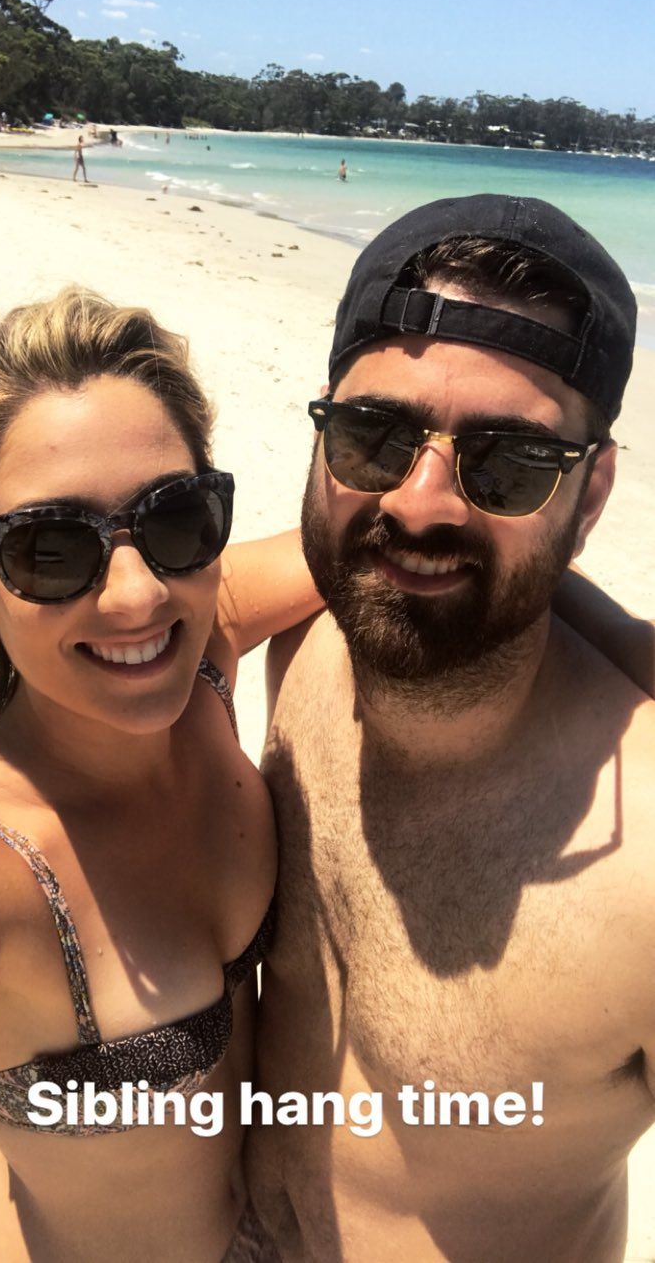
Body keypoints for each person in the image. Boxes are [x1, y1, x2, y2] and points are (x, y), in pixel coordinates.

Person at [250, 195, 655, 1262]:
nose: (421, 502)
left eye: (510, 463)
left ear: (591, 496)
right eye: (374, 436)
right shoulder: (296, 641)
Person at [0, 288, 319, 1261]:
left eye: (176, 520)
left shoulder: (200, 653)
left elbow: (403, 539)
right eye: (52, 548)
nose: (136, 594)